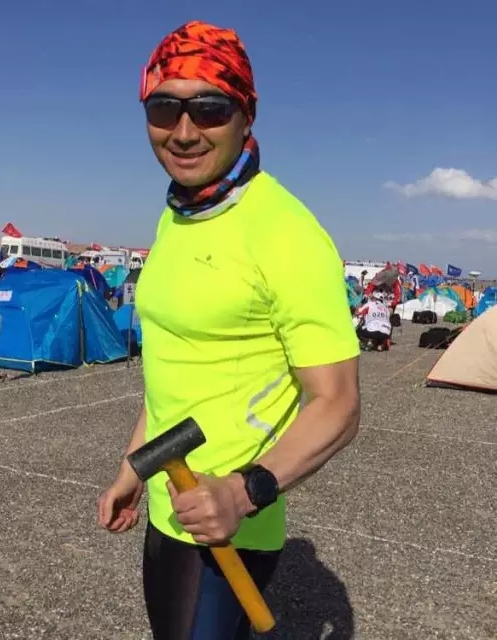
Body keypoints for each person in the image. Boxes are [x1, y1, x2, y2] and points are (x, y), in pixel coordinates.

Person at [96, 20, 361, 640]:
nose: (185, 131)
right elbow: (176, 370)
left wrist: (242, 494)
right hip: (170, 507)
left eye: (210, 108)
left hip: (231, 526)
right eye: (165, 108)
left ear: (247, 114)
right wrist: (133, 470)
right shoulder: (178, 216)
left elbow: (338, 404)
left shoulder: (286, 232)